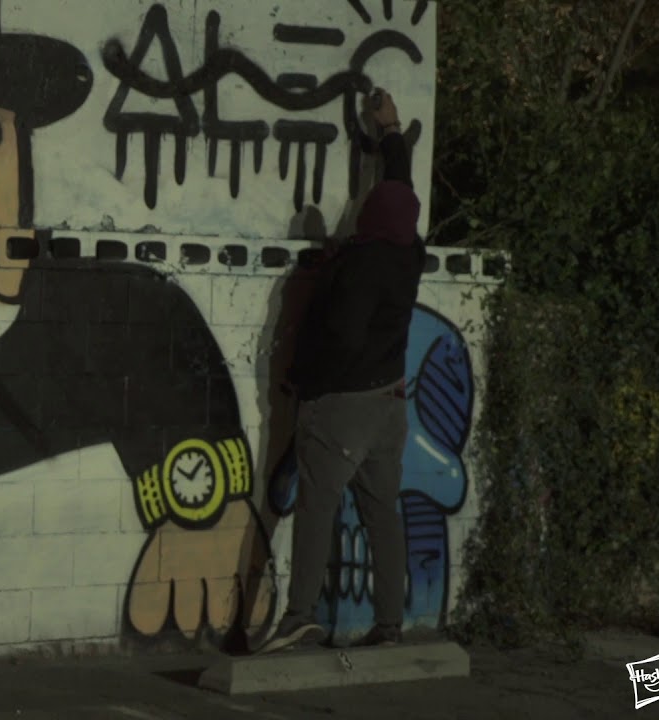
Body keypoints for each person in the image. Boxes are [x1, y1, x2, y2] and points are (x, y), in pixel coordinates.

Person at [261, 89, 427, 652]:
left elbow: (341, 337)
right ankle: (389, 625)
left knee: (316, 507)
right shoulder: (408, 253)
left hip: (342, 407)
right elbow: (400, 192)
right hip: (389, 406)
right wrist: (391, 132)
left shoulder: (360, 266)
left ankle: (300, 614)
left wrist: (305, 386)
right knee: (382, 514)